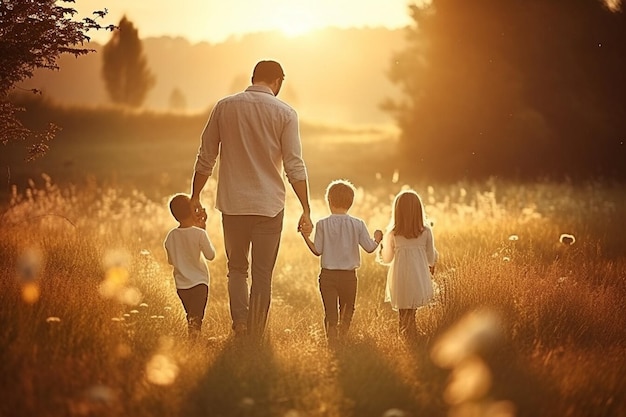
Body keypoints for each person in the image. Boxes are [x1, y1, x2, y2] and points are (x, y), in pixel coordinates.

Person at [190, 60, 311, 342]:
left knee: (236, 269)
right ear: (278, 81)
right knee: (262, 274)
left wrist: (195, 195)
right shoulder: (286, 113)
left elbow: (206, 155)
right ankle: (255, 334)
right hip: (269, 207)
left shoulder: (224, 107)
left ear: (253, 77)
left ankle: (240, 324)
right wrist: (306, 207)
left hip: (233, 205)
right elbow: (294, 165)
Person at [300, 179, 382, 344]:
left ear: (329, 201)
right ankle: (342, 338)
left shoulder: (322, 224)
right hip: (349, 277)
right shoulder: (358, 224)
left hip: (327, 276)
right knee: (347, 310)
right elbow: (369, 248)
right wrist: (377, 239)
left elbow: (317, 251)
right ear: (351, 202)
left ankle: (332, 340)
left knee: (330, 313)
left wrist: (305, 236)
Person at [379, 190, 438, 341]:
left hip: (400, 275)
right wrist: (431, 266)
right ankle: (411, 333)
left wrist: (381, 248)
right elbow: (431, 257)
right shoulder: (425, 231)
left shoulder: (392, 233)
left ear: (397, 211)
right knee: (412, 308)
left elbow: (387, 258)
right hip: (418, 274)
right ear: (419, 210)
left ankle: (405, 332)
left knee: (403, 308)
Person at [164, 193, 216, 338]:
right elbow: (210, 255)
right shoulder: (200, 234)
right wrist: (203, 230)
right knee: (196, 320)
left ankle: (193, 344)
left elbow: (171, 261)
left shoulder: (170, 236)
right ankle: (194, 345)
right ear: (193, 211)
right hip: (199, 283)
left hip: (181, 286)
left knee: (191, 317)